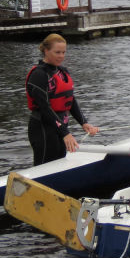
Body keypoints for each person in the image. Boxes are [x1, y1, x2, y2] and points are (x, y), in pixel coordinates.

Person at [25, 33, 99, 165]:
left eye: (63, 52)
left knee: (60, 162)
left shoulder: (63, 72)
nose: (61, 56)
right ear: (46, 51)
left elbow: (70, 100)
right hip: (43, 127)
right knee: (45, 165)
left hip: (60, 127)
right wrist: (65, 133)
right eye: (57, 52)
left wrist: (84, 123)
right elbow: (44, 107)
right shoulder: (39, 75)